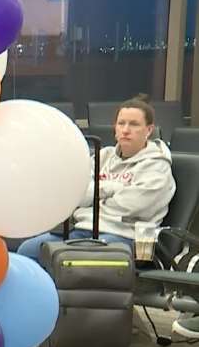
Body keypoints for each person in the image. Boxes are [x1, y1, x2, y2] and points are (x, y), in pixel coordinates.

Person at [16, 94, 175, 261]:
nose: (126, 130)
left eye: (134, 124)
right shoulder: (103, 156)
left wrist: (93, 201)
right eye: (121, 123)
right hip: (82, 230)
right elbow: (77, 195)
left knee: (71, 259)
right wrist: (111, 189)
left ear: (149, 130)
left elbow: (133, 205)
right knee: (28, 250)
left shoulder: (157, 165)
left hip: (125, 236)